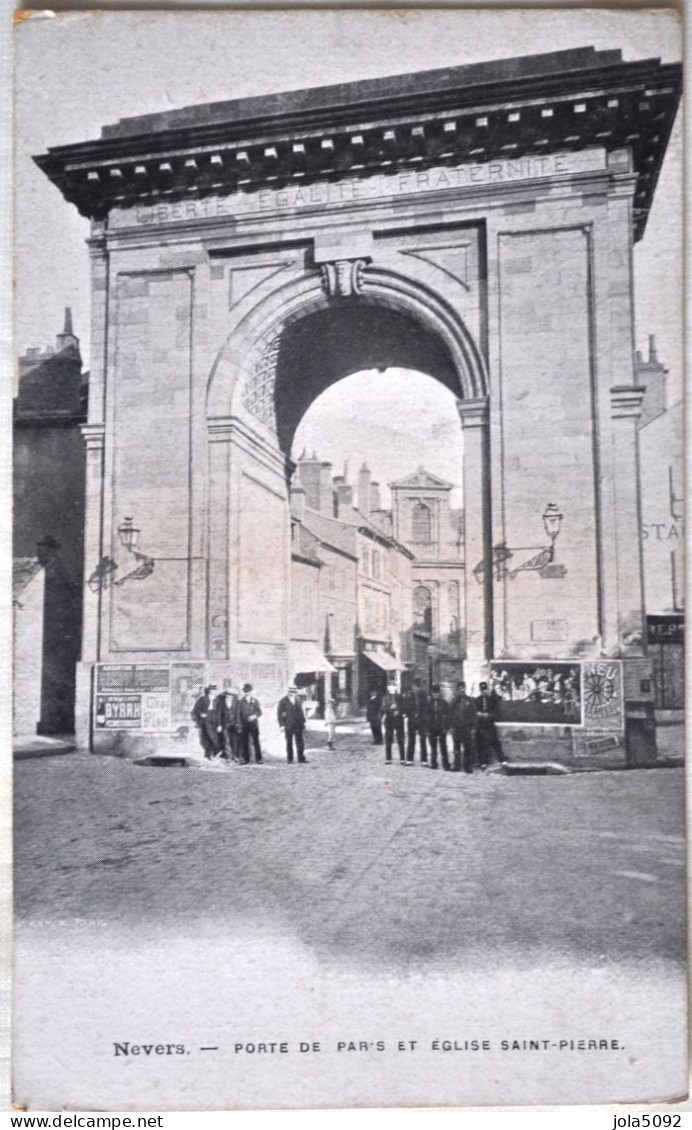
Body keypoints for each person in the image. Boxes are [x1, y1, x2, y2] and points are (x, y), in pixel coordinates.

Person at [475, 681, 505, 769]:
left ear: (487, 690)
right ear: (480, 690)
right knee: (480, 742)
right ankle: (482, 762)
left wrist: (489, 715)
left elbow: (495, 711)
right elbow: (474, 712)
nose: (483, 691)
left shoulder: (491, 699)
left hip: (489, 723)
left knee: (495, 741)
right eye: (482, 690)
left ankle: (502, 759)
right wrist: (479, 714)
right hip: (480, 724)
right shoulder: (477, 700)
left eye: (485, 689)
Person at [449, 681, 477, 773]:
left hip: (467, 728)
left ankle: (467, 766)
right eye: (460, 688)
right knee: (456, 747)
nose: (461, 690)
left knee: (467, 747)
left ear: (465, 689)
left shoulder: (470, 700)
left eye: (463, 688)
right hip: (457, 728)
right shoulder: (454, 701)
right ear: (457, 690)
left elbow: (474, 715)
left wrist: (473, 728)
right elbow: (450, 714)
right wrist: (451, 727)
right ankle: (456, 765)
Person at [276, 685, 308, 764]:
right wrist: (281, 725)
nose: (292, 693)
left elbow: (301, 712)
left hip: (298, 725)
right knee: (289, 742)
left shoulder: (297, 700)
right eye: (291, 691)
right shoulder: (283, 701)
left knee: (300, 742)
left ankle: (301, 758)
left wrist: (303, 722)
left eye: (294, 691)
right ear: (288, 692)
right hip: (288, 725)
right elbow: (279, 714)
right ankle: (290, 759)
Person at [403, 678, 429, 763]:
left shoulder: (423, 695)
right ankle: (410, 759)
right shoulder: (408, 696)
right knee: (411, 739)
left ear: (419, 687)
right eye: (413, 687)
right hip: (412, 720)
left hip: (421, 720)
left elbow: (426, 707)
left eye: (417, 687)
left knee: (423, 739)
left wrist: (423, 716)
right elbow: (406, 708)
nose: (415, 689)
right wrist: (409, 713)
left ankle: (424, 760)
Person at [191, 684, 219, 760]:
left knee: (213, 736)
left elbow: (220, 711)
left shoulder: (217, 699)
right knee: (208, 736)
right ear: (209, 690)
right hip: (206, 718)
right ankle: (210, 753)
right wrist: (201, 714)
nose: (213, 691)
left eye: (214, 690)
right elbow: (196, 708)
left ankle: (213, 753)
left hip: (215, 718)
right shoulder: (203, 699)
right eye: (212, 690)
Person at [237, 683, 263, 764]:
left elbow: (259, 712)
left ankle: (259, 759)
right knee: (245, 742)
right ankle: (246, 759)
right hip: (244, 724)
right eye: (245, 691)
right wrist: (239, 723)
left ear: (251, 692)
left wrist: (254, 716)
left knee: (256, 741)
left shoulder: (255, 701)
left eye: (248, 691)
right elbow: (238, 714)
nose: (247, 693)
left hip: (254, 725)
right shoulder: (240, 702)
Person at [428, 684, 451, 771]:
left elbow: (448, 716)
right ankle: (434, 763)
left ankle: (446, 764)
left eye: (437, 693)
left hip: (442, 727)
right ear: (432, 693)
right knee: (433, 746)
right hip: (432, 728)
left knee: (443, 746)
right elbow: (427, 716)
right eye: (434, 693)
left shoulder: (444, 703)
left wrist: (446, 727)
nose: (435, 695)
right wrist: (428, 729)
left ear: (439, 693)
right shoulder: (429, 703)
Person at [381, 684, 405, 763]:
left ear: (395, 687)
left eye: (393, 686)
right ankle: (388, 758)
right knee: (388, 739)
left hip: (399, 720)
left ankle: (402, 758)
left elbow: (404, 707)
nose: (391, 688)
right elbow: (382, 709)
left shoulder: (400, 697)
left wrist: (399, 711)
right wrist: (389, 709)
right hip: (389, 720)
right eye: (390, 686)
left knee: (400, 739)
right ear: (388, 688)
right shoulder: (385, 697)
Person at [215, 686, 240, 762]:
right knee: (226, 740)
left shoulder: (236, 701)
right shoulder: (221, 702)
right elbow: (218, 714)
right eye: (227, 694)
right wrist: (219, 724)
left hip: (234, 723)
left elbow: (237, 713)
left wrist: (238, 723)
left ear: (233, 695)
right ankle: (228, 756)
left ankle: (235, 756)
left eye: (230, 695)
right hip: (224, 723)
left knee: (234, 740)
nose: (228, 696)